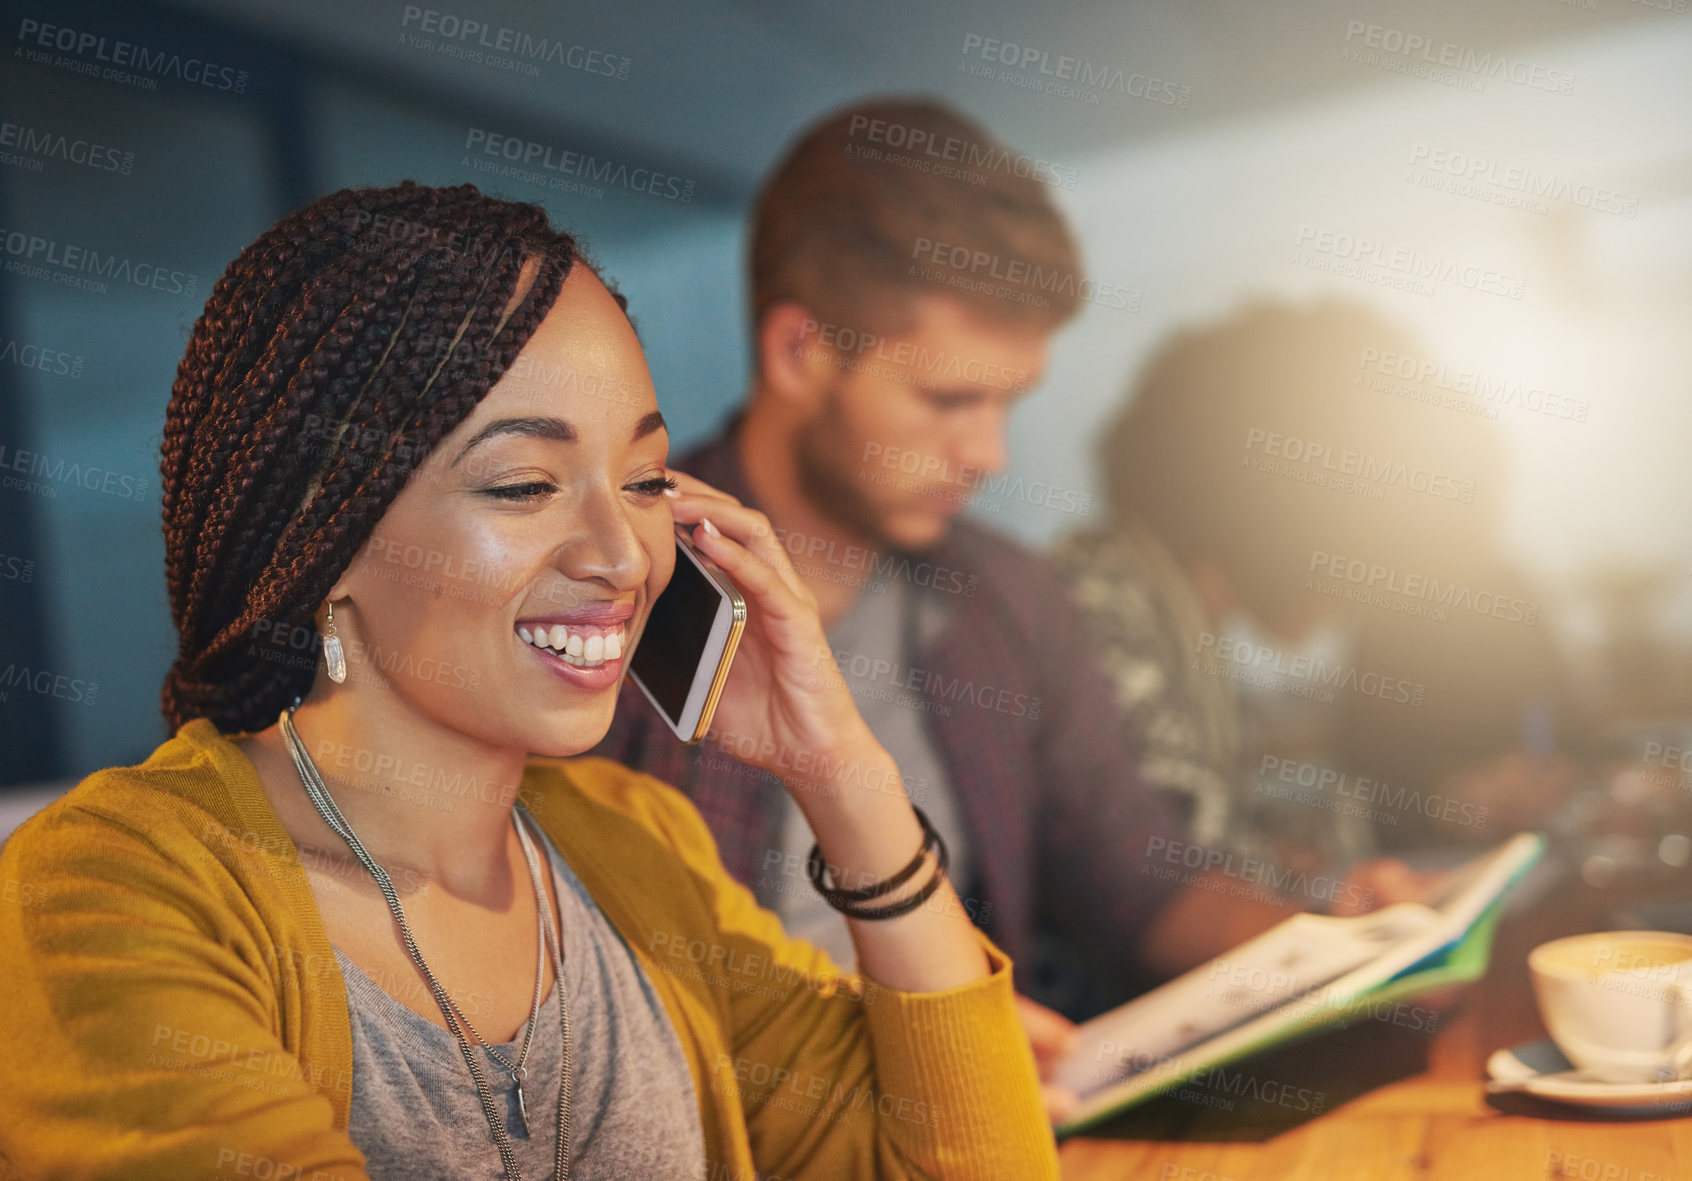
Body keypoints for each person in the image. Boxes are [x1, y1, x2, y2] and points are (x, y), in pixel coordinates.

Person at [0, 182, 1060, 1180]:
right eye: (522, 484)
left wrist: (843, 778)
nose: (624, 553)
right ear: (323, 532)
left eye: (646, 481)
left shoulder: (635, 844)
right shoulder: (104, 889)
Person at [592, 100, 1372, 1111]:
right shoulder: (622, 581)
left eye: (1009, 403)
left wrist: (1346, 943)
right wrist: (919, 1022)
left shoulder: (1010, 599)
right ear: (800, 353)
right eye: (950, 401)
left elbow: (1142, 880)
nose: (989, 454)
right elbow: (567, 969)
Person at [1051, 300, 1572, 877]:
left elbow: (1231, 830)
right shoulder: (1100, 608)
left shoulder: (1165, 609)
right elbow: (1173, 880)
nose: (1358, 601)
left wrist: (1445, 807)